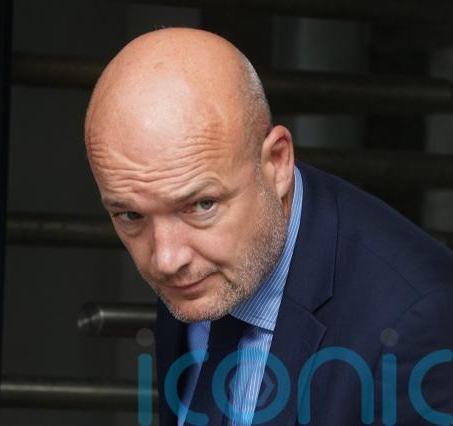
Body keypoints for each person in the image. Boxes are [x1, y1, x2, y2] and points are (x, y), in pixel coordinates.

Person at [83, 27, 453, 425]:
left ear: (277, 163)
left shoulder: (418, 324)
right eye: (130, 216)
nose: (166, 260)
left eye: (201, 205)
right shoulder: (192, 253)